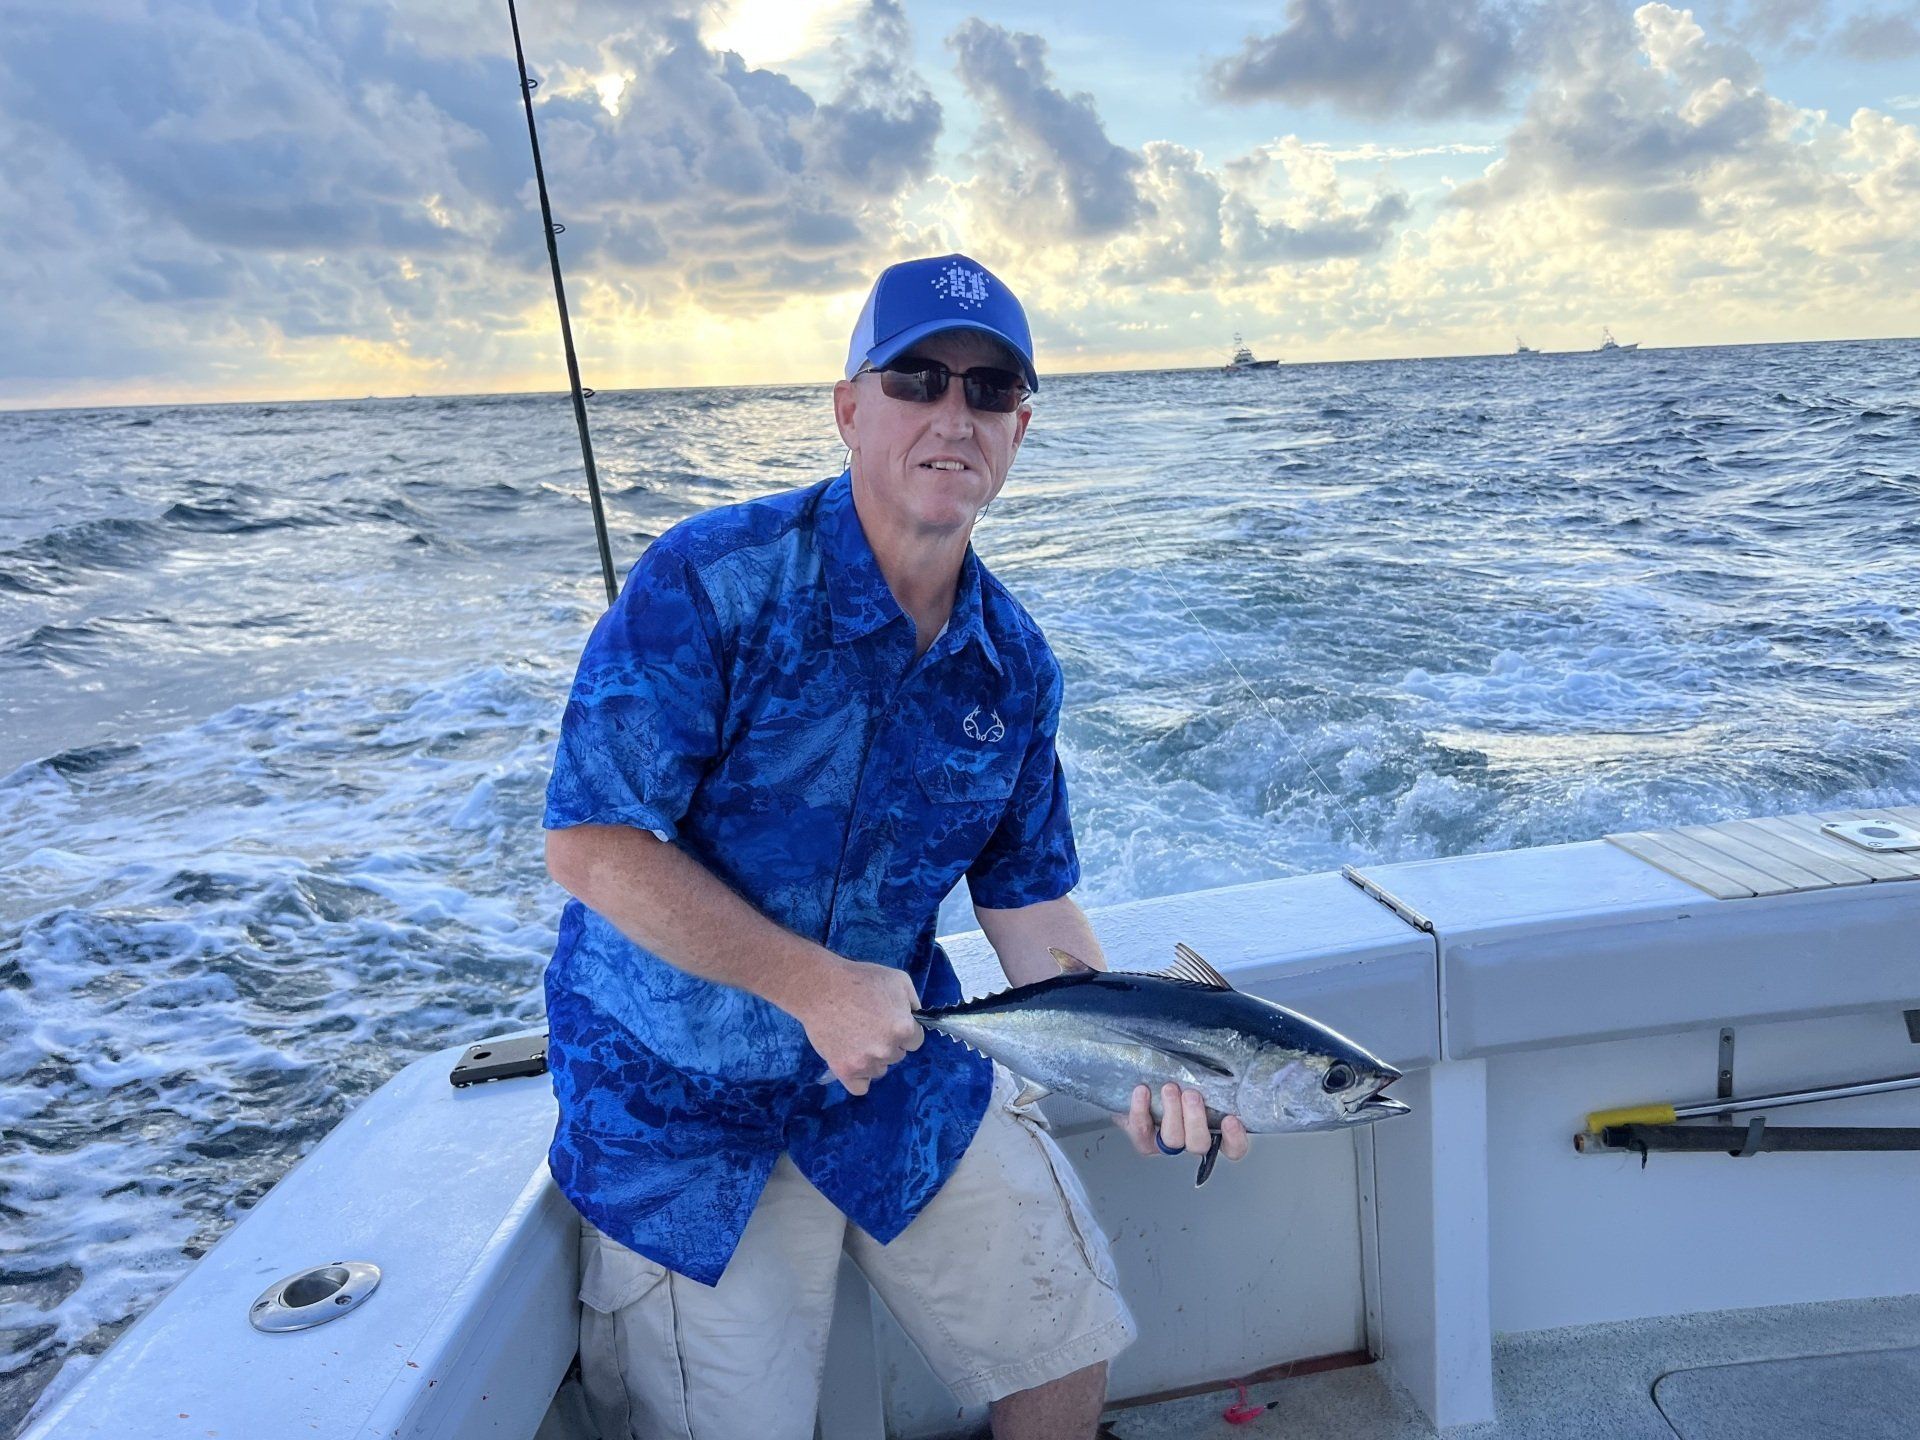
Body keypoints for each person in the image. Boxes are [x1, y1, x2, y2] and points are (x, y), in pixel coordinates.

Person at [540, 253, 1253, 1440]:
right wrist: (808, 984)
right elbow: (593, 847)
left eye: (988, 391)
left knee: (1067, 1346)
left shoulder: (1014, 665)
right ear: (849, 406)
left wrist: (1144, 1064)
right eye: (918, 378)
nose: (952, 414)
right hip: (678, 1106)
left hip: (895, 1065)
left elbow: (1031, 913)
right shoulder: (712, 583)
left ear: (1019, 429)